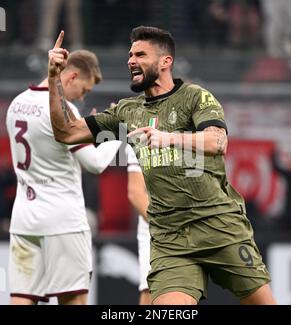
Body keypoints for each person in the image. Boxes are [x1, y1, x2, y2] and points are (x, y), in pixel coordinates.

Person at [48, 27, 277, 305]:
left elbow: (218, 141)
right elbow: (66, 132)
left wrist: (168, 138)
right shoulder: (127, 112)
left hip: (219, 226)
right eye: (130, 54)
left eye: (140, 54)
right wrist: (53, 79)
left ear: (165, 62)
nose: (131, 60)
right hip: (171, 240)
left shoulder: (195, 97)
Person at [5, 49, 122, 305]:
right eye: (85, 89)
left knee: (22, 299)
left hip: (25, 219)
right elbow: (96, 163)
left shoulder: (16, 104)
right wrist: (117, 130)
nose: (83, 96)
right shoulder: (64, 110)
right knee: (74, 300)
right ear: (72, 77)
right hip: (63, 222)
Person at [127, 146, 151, 305]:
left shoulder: (194, 132)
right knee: (151, 290)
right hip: (157, 232)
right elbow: (136, 192)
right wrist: (167, 227)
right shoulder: (139, 133)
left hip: (192, 226)